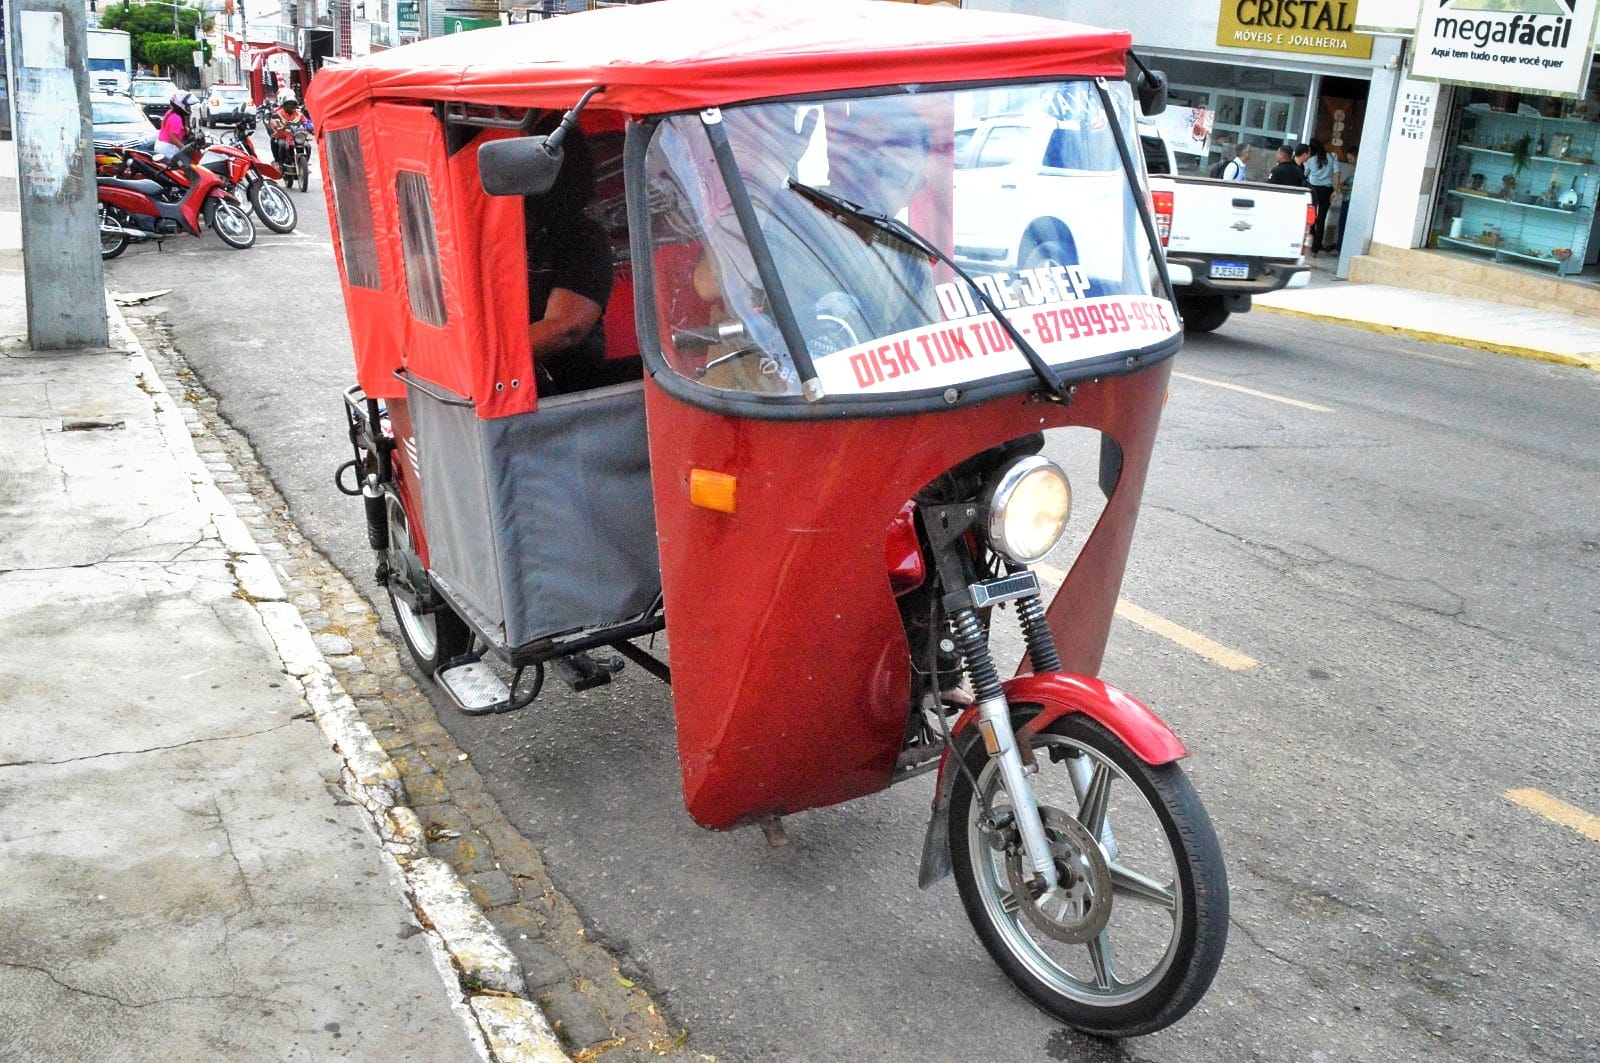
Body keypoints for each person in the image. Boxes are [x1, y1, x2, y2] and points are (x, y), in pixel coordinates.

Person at [523, 126, 634, 396]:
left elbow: (565, 328)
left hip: (565, 396)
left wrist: (484, 358)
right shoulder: (490, 236)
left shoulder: (582, 238)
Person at [1304, 138, 1342, 254]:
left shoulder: (1311, 160)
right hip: (1327, 190)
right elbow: (1337, 174)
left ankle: (1311, 246)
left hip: (1314, 190)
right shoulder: (1332, 156)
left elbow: (1305, 175)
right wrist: (1335, 190)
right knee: (1321, 219)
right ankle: (1316, 250)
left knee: (1312, 218)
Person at [266, 97, 312, 169]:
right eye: (288, 104)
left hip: (296, 136)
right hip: (283, 136)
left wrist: (309, 125)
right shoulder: (279, 113)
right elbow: (273, 122)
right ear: (284, 105)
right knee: (282, 144)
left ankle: (304, 163)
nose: (291, 106)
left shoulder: (299, 114)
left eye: (293, 104)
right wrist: (275, 125)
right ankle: (281, 164)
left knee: (307, 145)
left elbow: (305, 121)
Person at [155, 91, 197, 162]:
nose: (189, 108)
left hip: (161, 145)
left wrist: (185, 129)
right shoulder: (176, 118)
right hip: (168, 149)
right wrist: (184, 148)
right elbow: (173, 138)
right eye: (187, 106)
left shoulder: (170, 112)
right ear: (181, 105)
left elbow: (166, 127)